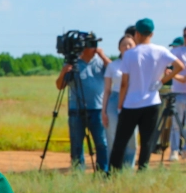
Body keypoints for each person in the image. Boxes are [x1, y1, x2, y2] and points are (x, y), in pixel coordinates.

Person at [111, 18, 184, 171]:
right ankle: (142, 170)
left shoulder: (130, 54)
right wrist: (162, 81)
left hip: (131, 103)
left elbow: (124, 83)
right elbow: (179, 66)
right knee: (147, 141)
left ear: (136, 34)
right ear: (152, 33)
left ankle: (113, 172)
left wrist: (120, 105)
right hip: (152, 102)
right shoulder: (161, 50)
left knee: (121, 140)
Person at [55, 42, 110, 171]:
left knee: (102, 143)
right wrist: (64, 72)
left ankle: (103, 171)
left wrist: (102, 55)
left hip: (97, 108)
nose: (93, 48)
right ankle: (78, 171)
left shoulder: (101, 61)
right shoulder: (73, 63)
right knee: (76, 143)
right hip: (76, 109)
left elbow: (116, 71)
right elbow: (60, 86)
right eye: (90, 45)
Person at [103, 35, 136, 169]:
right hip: (114, 99)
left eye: (130, 44)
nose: (127, 47)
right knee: (112, 135)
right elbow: (107, 90)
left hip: (132, 99)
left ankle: (128, 170)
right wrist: (103, 111)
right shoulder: (112, 65)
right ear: (119, 48)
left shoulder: (137, 64)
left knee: (131, 138)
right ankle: (113, 169)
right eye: (124, 44)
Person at [169, 32, 186, 161]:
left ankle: (184, 150)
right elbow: (164, 65)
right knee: (175, 124)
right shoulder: (176, 51)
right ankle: (174, 150)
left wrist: (173, 75)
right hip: (177, 93)